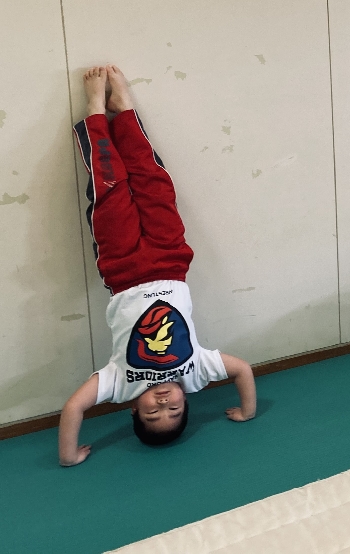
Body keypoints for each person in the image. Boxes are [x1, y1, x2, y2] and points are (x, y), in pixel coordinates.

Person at [58, 66, 256, 467]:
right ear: (188, 401)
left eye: (152, 413)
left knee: (109, 185)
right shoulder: (197, 371)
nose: (163, 404)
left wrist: (68, 455)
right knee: (153, 182)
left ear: (133, 408)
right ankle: (124, 109)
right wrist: (247, 411)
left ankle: (95, 111)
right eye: (174, 411)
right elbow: (243, 371)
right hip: (170, 260)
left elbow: (74, 407)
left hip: (122, 268)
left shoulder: (119, 383)